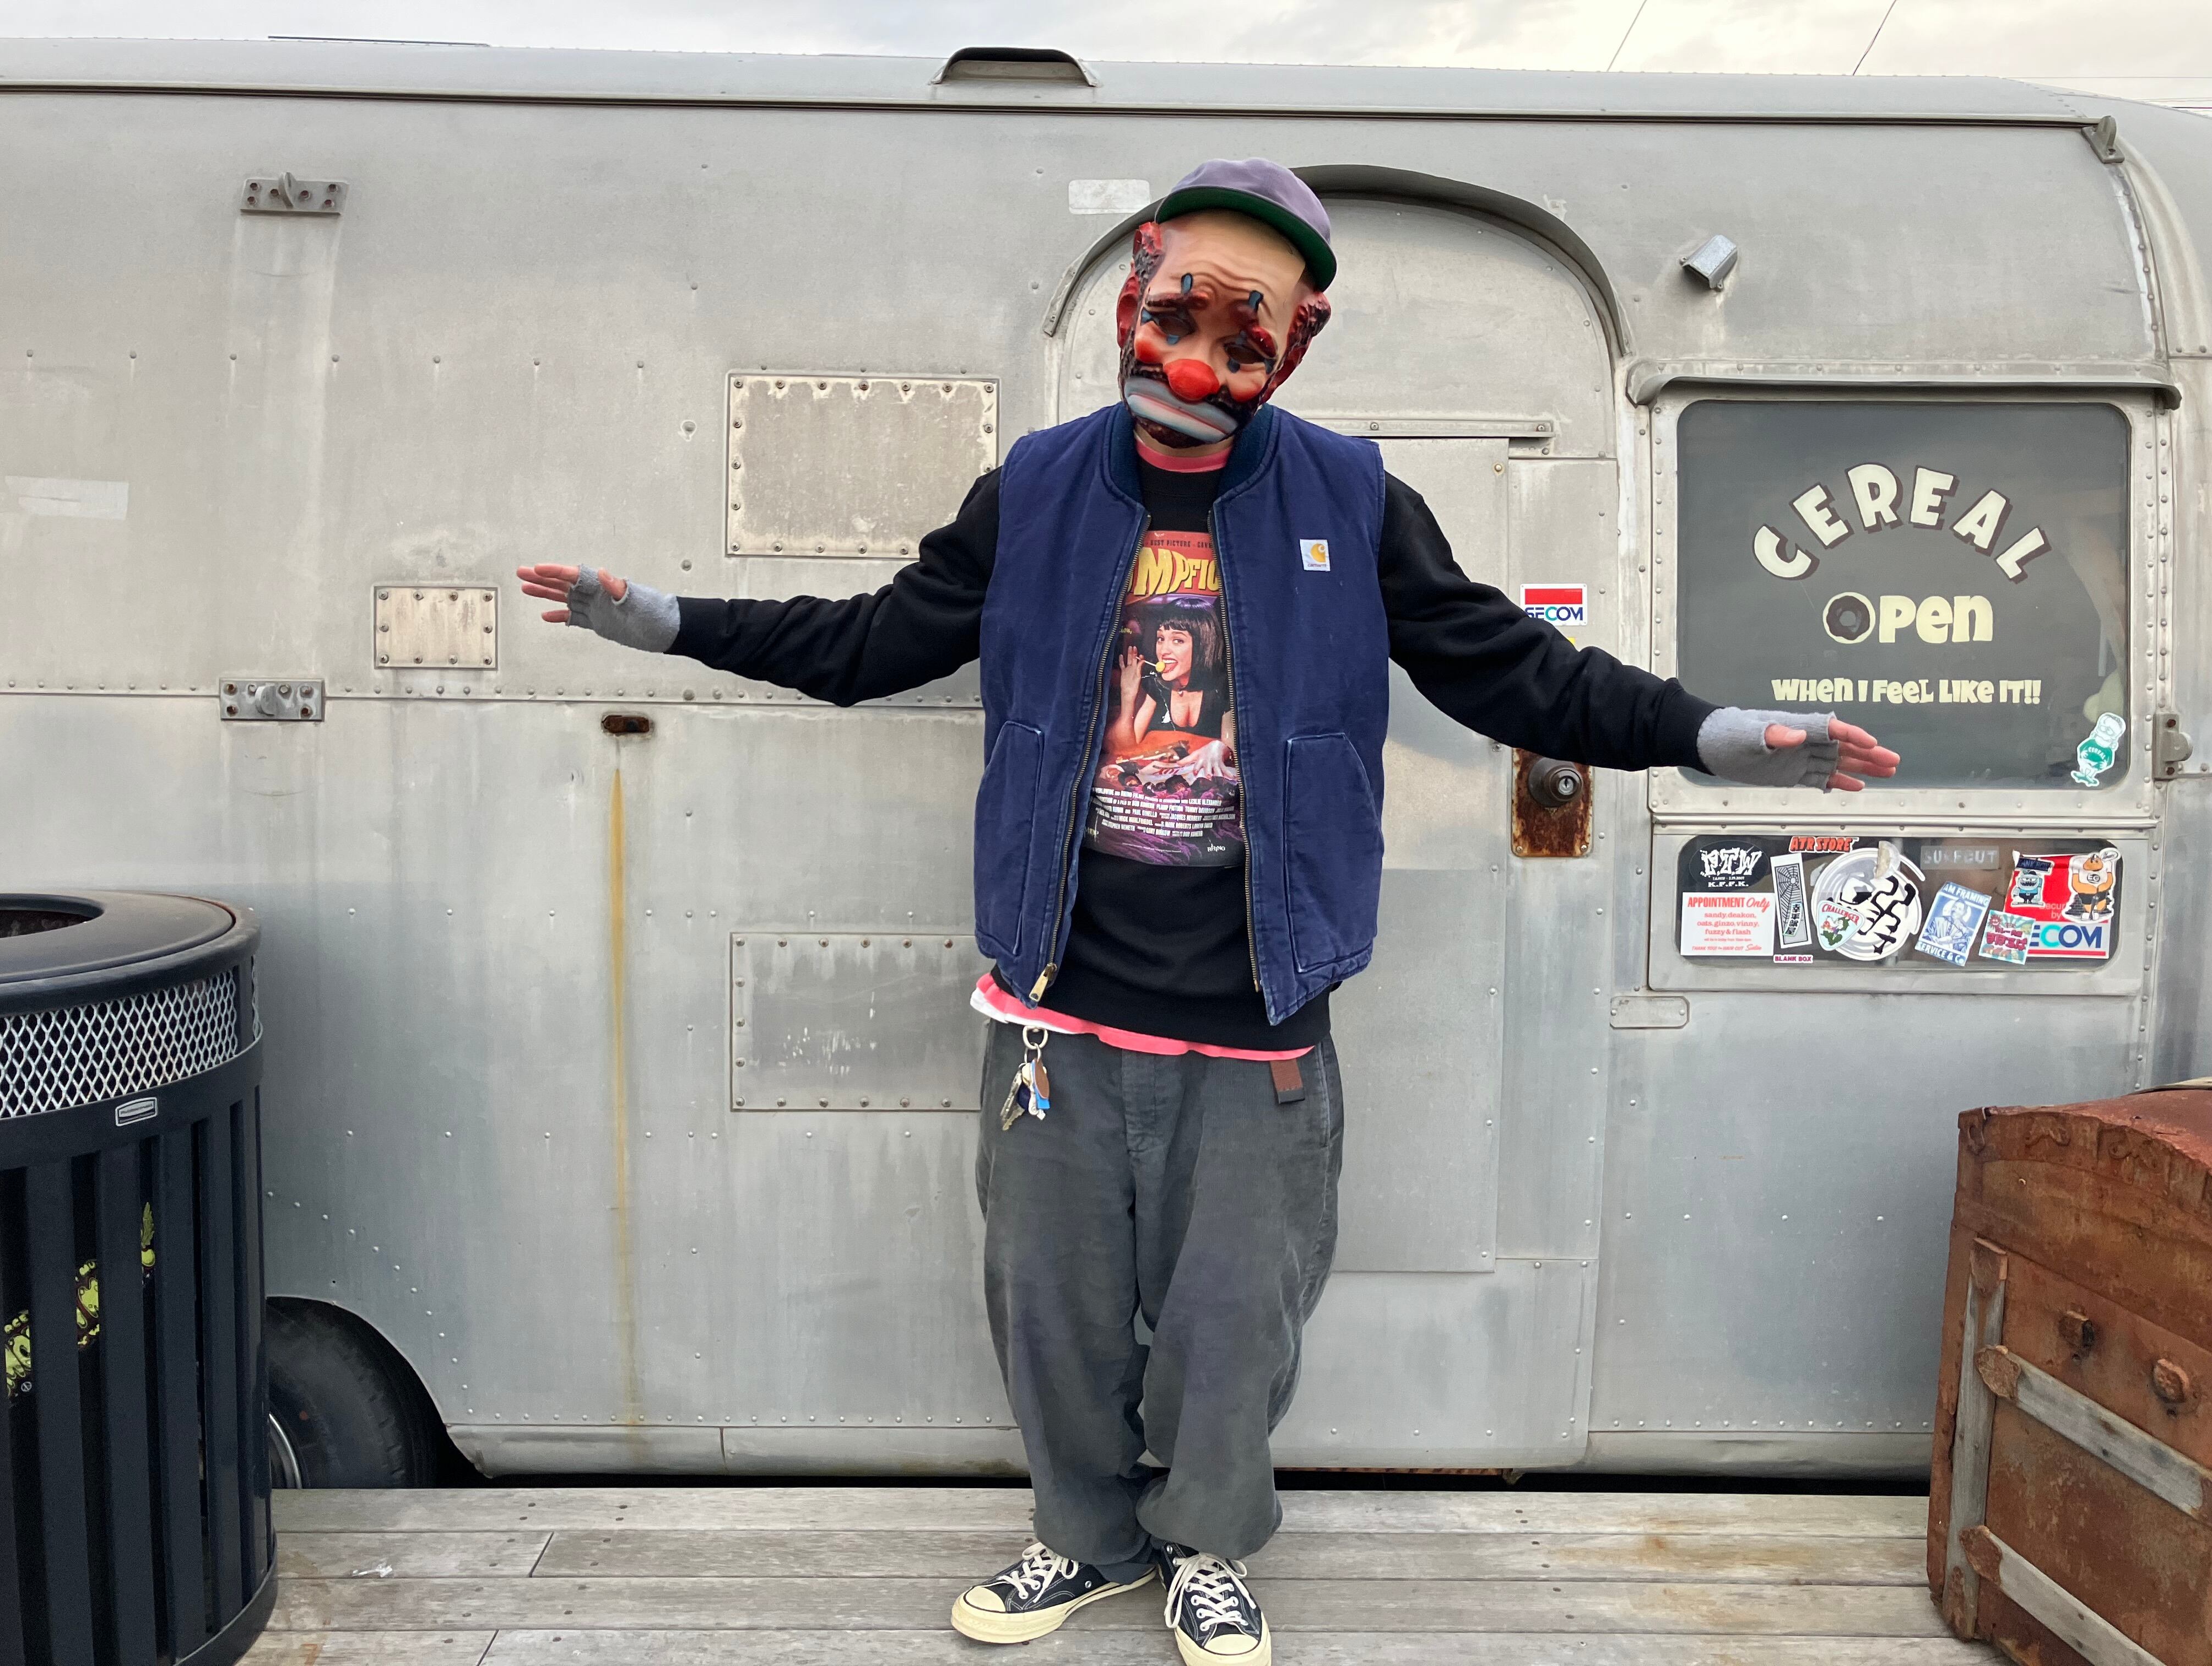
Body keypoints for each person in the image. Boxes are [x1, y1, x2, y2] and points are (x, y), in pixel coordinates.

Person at [518, 159, 1898, 1666]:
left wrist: (1708, 734)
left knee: (1237, 1319)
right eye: (1174, 320)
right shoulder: (1036, 489)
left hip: (1259, 1009)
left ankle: (1205, 1546)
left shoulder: (1353, 500)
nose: (1193, 367)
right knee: (1050, 1308)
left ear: (1297, 343)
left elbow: (1517, 671)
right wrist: (666, 623)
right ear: (1132, 301)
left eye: (1240, 340)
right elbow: (868, 642)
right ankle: (1083, 1540)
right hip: (1057, 1005)